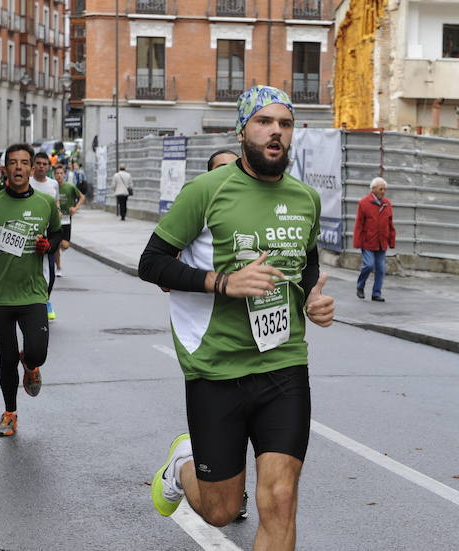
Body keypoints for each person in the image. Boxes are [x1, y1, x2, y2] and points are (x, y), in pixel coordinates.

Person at [138, 85, 335, 550]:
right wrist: (222, 282)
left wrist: (311, 299)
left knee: (281, 498)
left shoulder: (305, 198)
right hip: (216, 368)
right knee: (221, 511)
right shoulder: (207, 190)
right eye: (265, 122)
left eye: (284, 124)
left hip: (283, 363)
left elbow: (304, 263)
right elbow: (151, 262)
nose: (276, 132)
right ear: (243, 129)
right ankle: (181, 464)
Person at [0, 143, 62, 437]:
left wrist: (50, 246)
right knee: (7, 359)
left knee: (38, 352)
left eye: (24, 162)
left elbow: (58, 233)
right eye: (13, 163)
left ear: (32, 167)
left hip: (33, 292)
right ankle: (10, 413)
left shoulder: (45, 203)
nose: (19, 168)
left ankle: (31, 365)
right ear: (5, 168)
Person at [353, 176, 396, 302]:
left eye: (385, 189)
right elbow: (359, 224)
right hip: (368, 241)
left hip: (382, 242)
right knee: (369, 265)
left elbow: (390, 224)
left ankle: (376, 293)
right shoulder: (364, 203)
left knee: (381, 268)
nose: (383, 191)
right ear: (373, 189)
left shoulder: (387, 204)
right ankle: (360, 286)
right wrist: (357, 241)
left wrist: (391, 240)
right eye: (381, 189)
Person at [29, 152, 60, 320]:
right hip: (28, 233)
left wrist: (58, 214)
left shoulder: (53, 184)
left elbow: (56, 205)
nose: (41, 166)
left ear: (48, 166)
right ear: (34, 165)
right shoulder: (27, 182)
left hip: (47, 235)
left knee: (50, 271)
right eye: (38, 163)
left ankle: (46, 300)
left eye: (44, 164)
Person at [53, 164, 85, 277]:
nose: (59, 175)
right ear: (54, 175)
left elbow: (82, 197)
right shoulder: (52, 186)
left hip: (66, 219)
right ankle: (58, 267)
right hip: (54, 220)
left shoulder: (70, 187)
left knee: (65, 245)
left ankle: (57, 251)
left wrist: (75, 208)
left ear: (65, 175)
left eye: (61, 173)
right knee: (56, 245)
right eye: (57, 173)